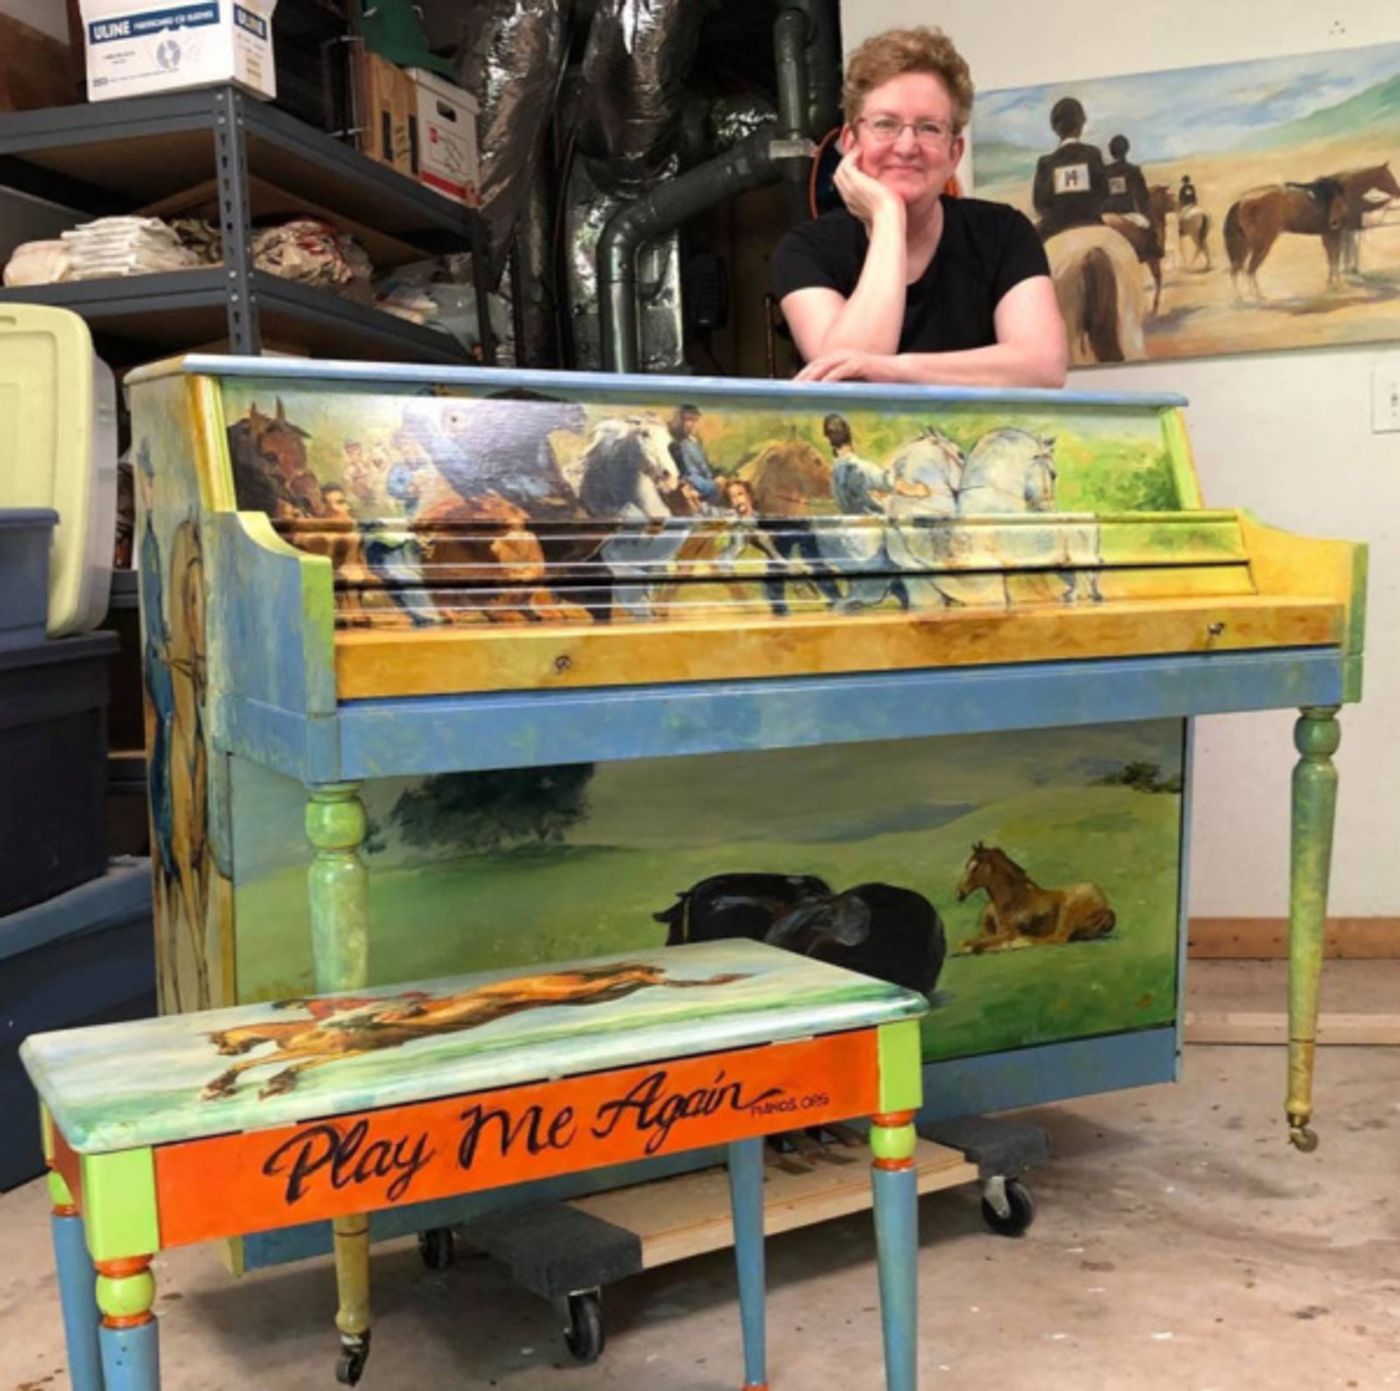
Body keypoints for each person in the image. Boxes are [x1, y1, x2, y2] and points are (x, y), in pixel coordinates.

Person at [771, 26, 1066, 388]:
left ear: (954, 152)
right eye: (885, 124)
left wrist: (895, 369)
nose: (907, 146)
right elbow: (848, 386)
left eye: (928, 128)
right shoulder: (805, 250)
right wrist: (888, 216)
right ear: (850, 142)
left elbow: (1043, 366)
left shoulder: (1004, 233)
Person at [1032, 96, 1108, 240]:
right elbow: (1104, 193)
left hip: (1055, 228)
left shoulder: (1046, 163)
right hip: (1092, 222)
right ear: (1081, 124)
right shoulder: (1093, 154)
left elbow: (1039, 204)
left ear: (1055, 128)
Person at [667, 405, 723, 504]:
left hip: (706, 480)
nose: (692, 424)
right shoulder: (676, 445)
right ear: (680, 421)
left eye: (695, 420)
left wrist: (718, 475)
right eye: (688, 420)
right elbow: (683, 473)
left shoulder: (695, 441)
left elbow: (705, 466)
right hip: (692, 484)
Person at [1103, 134, 1150, 222]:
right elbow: (1143, 196)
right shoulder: (1133, 170)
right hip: (1128, 214)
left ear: (1110, 151)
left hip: (1105, 213)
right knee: (1149, 230)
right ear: (1126, 149)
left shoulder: (1104, 171)